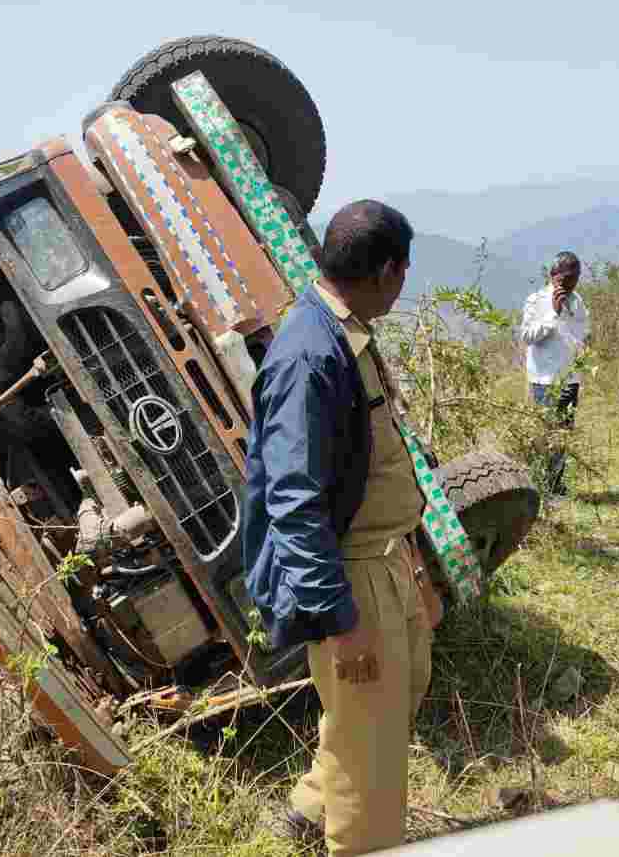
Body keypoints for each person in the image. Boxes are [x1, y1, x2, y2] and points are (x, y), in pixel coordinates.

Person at [242, 200, 434, 855]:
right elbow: (291, 495)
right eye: (404, 271)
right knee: (371, 757)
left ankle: (310, 806)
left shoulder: (346, 333)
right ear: (386, 271)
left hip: (385, 562)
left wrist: (410, 560)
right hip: (353, 579)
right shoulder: (310, 352)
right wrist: (336, 616)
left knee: (397, 695)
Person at [519, 251, 591, 495]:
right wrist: (553, 314)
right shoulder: (536, 300)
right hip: (545, 379)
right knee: (546, 433)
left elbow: (583, 332)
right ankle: (541, 483)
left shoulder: (578, 301)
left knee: (563, 434)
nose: (573, 281)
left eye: (576, 276)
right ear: (554, 275)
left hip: (570, 378)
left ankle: (556, 484)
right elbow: (527, 336)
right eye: (568, 276)